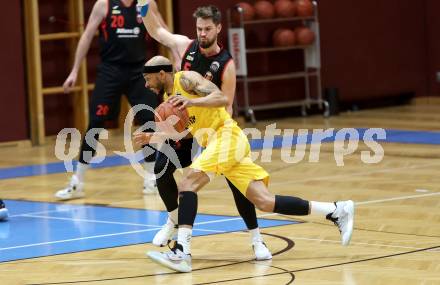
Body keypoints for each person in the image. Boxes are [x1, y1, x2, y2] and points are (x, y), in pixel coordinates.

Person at [134, 56, 355, 273]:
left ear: (161, 73)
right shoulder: (168, 98)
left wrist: (192, 100)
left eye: (148, 78)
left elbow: (221, 98)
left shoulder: (186, 79)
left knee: (187, 185)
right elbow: (184, 132)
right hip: (219, 144)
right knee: (264, 201)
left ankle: (182, 252)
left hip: (226, 136)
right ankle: (336, 210)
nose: (146, 84)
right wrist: (153, 138)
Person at [138, 2, 271, 260]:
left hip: (211, 132)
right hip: (185, 128)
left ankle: (257, 239)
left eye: (207, 29)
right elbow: (157, 31)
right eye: (199, 28)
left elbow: (227, 107)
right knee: (161, 167)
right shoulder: (185, 46)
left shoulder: (226, 65)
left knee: (237, 184)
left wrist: (210, 140)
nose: (202, 34)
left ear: (218, 28)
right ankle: (174, 222)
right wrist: (144, 6)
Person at [55, 0, 169, 200]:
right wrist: (74, 70)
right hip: (111, 71)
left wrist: (176, 58)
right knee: (95, 123)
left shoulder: (146, 3)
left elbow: (163, 32)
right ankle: (77, 181)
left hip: (139, 73)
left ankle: (151, 179)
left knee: (149, 120)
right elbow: (87, 35)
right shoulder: (104, 4)